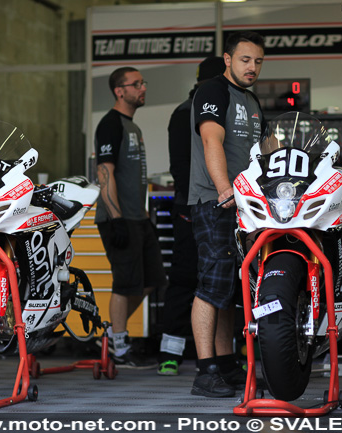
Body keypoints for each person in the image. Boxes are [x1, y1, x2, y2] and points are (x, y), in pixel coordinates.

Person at [188, 31, 265, 397]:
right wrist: (224, 190)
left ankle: (227, 363)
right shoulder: (213, 91)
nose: (252, 67)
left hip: (247, 206)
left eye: (258, 61)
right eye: (245, 59)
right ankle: (205, 372)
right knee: (212, 284)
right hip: (215, 201)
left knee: (232, 289)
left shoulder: (251, 99)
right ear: (228, 59)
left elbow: (263, 150)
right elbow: (210, 140)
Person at [157, 56, 227, 377]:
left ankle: (189, 355)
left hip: (197, 205)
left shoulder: (188, 108)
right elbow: (185, 168)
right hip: (195, 206)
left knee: (204, 281)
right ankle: (170, 354)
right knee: (192, 279)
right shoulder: (192, 112)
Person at [94, 67, 167, 369]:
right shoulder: (110, 124)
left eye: (143, 83)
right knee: (125, 284)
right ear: (119, 91)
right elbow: (104, 173)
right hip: (118, 218)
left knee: (153, 280)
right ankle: (119, 346)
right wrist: (117, 218)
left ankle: (112, 332)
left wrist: (143, 214)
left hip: (138, 217)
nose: (142, 88)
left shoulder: (132, 127)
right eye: (135, 84)